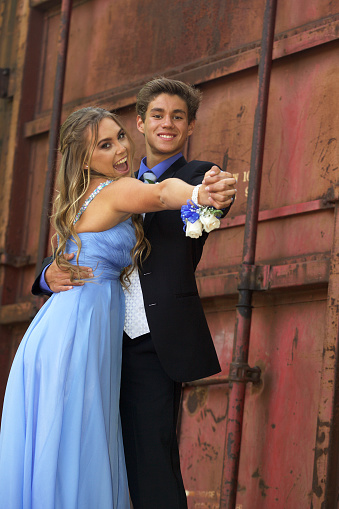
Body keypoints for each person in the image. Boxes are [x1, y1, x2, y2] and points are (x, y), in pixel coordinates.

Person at [0, 106, 230, 509]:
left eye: (120, 136)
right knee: (79, 439)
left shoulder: (78, 197)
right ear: (84, 159)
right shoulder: (115, 190)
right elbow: (160, 193)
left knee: (66, 441)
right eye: (104, 146)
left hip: (65, 326)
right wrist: (197, 194)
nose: (120, 150)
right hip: (78, 330)